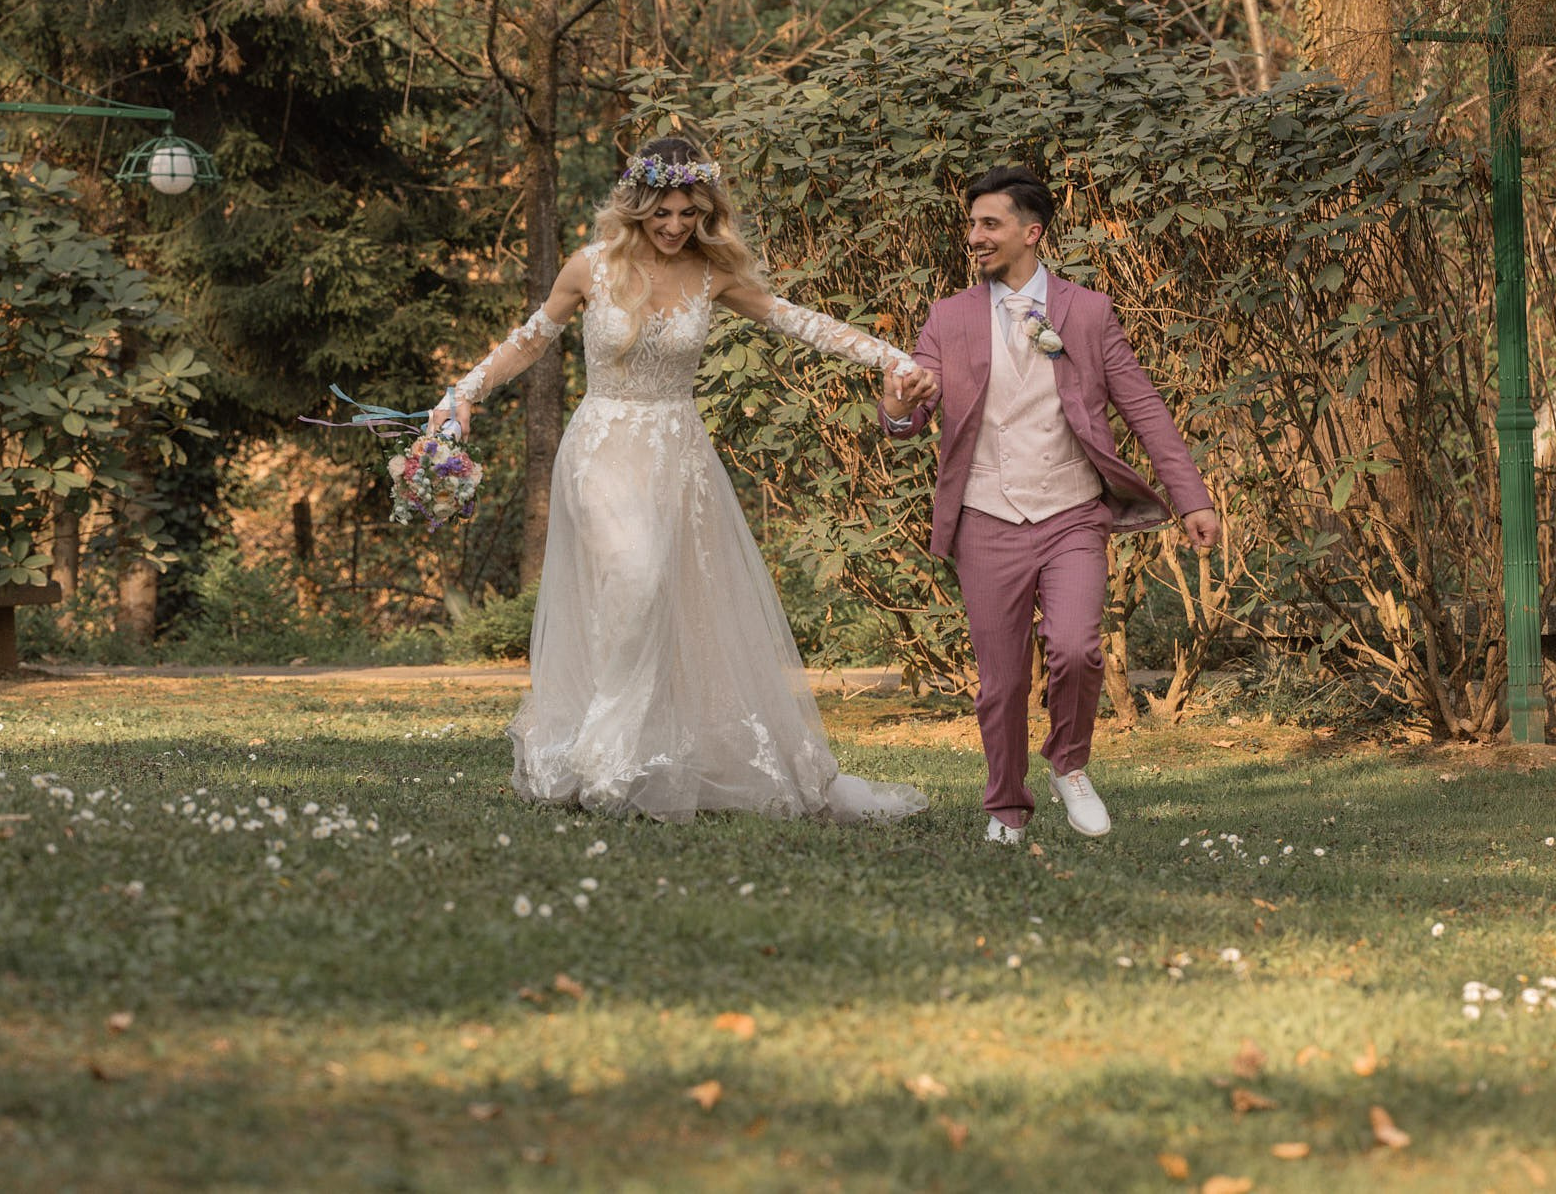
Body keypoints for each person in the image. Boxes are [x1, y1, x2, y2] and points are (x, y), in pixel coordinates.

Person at [428, 136, 935, 823]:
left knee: (670, 600)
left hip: (677, 453)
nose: (674, 226)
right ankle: (604, 756)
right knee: (635, 579)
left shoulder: (709, 275)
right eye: (662, 211)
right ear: (636, 205)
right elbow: (530, 338)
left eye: (689, 214)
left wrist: (889, 355)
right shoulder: (590, 268)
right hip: (603, 445)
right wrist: (465, 390)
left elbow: (795, 319)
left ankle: (643, 752)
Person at [878, 165, 1218, 844]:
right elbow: (910, 413)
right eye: (972, 224)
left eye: (990, 224)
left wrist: (1192, 499)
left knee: (1075, 648)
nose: (974, 236)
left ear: (1030, 233)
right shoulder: (948, 317)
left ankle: (1069, 760)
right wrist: (897, 402)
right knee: (1001, 684)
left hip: (1070, 511)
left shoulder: (1088, 313)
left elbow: (1143, 407)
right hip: (985, 516)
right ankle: (1006, 805)